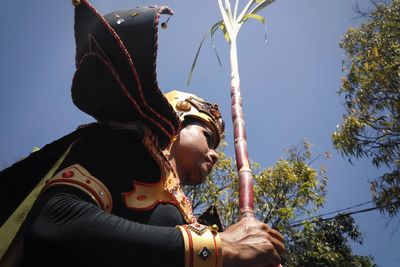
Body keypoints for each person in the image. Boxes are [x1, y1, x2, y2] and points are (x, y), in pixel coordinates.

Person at [0, 1, 284, 266]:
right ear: (177, 124)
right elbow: (56, 222)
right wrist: (218, 248)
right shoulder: (121, 142)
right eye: (207, 137)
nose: (213, 154)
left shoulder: (191, 214)